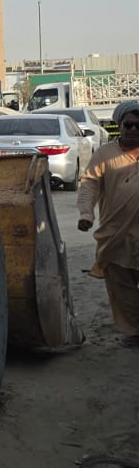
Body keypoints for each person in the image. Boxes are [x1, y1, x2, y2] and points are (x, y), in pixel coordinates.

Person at [77, 102, 139, 345]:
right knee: (122, 288)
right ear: (119, 125)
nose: (133, 129)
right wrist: (86, 214)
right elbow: (89, 184)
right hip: (115, 235)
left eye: (138, 125)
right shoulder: (104, 154)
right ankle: (134, 331)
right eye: (128, 124)